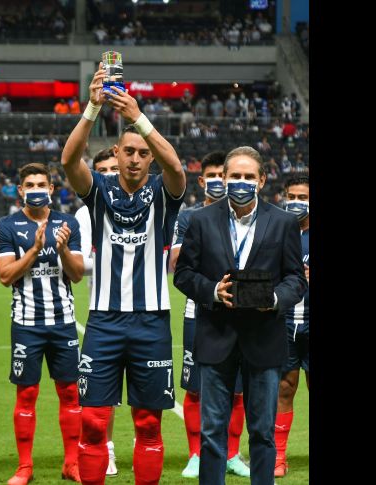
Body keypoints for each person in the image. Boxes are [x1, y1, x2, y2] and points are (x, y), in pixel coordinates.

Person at [61, 61, 186, 485]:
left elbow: (177, 169)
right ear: (115, 153)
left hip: (151, 322)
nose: (134, 159)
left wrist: (138, 117)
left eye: (142, 153)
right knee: (93, 422)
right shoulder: (99, 190)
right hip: (104, 322)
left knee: (149, 423)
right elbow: (68, 160)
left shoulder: (164, 193)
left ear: (150, 156)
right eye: (128, 151)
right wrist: (93, 108)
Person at [173, 146, 307, 485]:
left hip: (264, 338)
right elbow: (184, 274)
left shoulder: (283, 223)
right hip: (216, 337)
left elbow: (296, 279)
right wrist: (212, 291)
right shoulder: (201, 220)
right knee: (212, 433)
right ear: (224, 178)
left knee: (262, 432)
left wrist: (274, 299)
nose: (241, 182)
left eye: (249, 176)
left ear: (261, 180)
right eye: (235, 176)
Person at [0, 163, 86, 485]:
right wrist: (34, 249)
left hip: (63, 323)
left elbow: (77, 274)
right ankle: (25, 467)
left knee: (70, 394)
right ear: (20, 190)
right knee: (27, 394)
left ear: (51, 188)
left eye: (41, 184)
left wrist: (62, 249)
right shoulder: (6, 226)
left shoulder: (68, 223)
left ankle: (71, 464)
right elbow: (5, 276)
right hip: (26, 324)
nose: (36, 190)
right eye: (29, 185)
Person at [168, 151, 250, 479]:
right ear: (202, 181)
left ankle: (232, 453)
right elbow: (177, 263)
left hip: (241, 313)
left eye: (222, 175)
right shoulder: (188, 217)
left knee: (238, 389)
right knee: (195, 387)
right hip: (198, 313)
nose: (218, 181)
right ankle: (195, 454)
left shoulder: (246, 215)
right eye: (212, 176)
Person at [73, 148, 121, 477]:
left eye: (113, 168)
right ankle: (107, 448)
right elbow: (81, 263)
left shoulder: (146, 203)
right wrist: (115, 256)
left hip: (145, 312)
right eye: (101, 170)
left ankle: (145, 446)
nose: (108, 175)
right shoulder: (84, 212)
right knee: (104, 394)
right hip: (102, 312)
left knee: (147, 396)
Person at [274, 174, 310, 478]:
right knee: (284, 387)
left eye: (303, 197)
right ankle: (278, 456)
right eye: (292, 197)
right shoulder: (276, 232)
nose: (296, 202)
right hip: (283, 323)